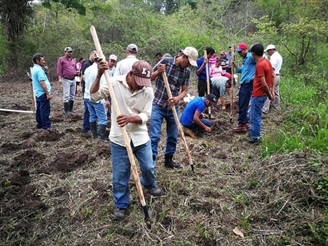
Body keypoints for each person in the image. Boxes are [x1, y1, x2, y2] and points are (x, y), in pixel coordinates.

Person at [90, 60, 162, 219]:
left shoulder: (148, 90)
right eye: (139, 82)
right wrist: (99, 75)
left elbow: (147, 115)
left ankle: (149, 184)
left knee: (148, 166)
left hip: (140, 137)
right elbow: (94, 96)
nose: (142, 86)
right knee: (120, 174)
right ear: (130, 75)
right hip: (119, 139)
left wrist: (131, 118)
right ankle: (121, 204)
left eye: (145, 83)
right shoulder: (114, 83)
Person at [150, 46, 198, 169]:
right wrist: (158, 72)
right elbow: (150, 77)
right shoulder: (165, 62)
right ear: (184, 56)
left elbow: (184, 90)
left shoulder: (186, 72)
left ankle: (168, 160)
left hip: (173, 108)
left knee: (173, 135)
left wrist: (177, 98)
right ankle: (151, 161)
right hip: (158, 105)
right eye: (189, 62)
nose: (189, 66)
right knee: (154, 136)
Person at [249, 43, 275, 143]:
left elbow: (263, 84)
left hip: (259, 94)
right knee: (254, 115)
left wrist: (270, 95)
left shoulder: (260, 65)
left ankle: (256, 137)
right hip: (262, 94)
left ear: (253, 54)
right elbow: (273, 76)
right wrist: (272, 90)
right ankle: (255, 134)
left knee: (255, 117)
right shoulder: (267, 61)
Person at [231, 43, 256, 132]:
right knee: (242, 103)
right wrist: (234, 65)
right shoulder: (245, 60)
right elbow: (242, 70)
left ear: (245, 49)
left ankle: (242, 124)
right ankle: (244, 121)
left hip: (248, 84)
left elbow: (260, 63)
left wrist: (255, 76)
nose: (239, 54)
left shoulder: (251, 57)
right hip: (244, 84)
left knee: (243, 104)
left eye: (240, 52)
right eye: (238, 52)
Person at [84, 54, 108, 141]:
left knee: (92, 115)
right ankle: (101, 138)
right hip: (97, 97)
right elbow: (103, 85)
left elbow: (85, 81)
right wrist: (106, 99)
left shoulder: (87, 69)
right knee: (102, 117)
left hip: (87, 96)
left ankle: (94, 135)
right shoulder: (101, 70)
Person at [31, 53, 52, 130]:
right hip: (42, 93)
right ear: (37, 61)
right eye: (42, 60)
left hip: (37, 93)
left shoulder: (34, 69)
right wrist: (47, 94)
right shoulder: (39, 70)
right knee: (45, 110)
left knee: (39, 109)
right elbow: (42, 82)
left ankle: (39, 124)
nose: (44, 61)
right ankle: (46, 126)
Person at [56, 47, 78, 114]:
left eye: (70, 52)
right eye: (68, 52)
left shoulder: (73, 60)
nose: (69, 53)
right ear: (65, 52)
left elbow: (74, 68)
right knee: (66, 95)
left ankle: (70, 109)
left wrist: (76, 72)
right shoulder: (61, 59)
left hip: (73, 78)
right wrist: (59, 78)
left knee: (72, 95)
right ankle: (66, 110)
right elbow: (59, 69)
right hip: (66, 79)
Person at [80, 49, 98, 133]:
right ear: (90, 55)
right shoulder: (86, 65)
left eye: (96, 54)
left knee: (92, 111)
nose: (95, 56)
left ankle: (91, 127)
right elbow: (83, 77)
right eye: (94, 54)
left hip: (92, 91)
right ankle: (86, 127)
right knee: (88, 110)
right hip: (87, 91)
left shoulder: (93, 65)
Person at [262, 44, 283, 113]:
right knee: (276, 92)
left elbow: (272, 68)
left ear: (271, 50)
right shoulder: (279, 56)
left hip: (273, 76)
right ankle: (276, 106)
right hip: (277, 75)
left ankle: (265, 109)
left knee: (268, 91)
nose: (268, 53)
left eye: (268, 51)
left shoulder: (274, 57)